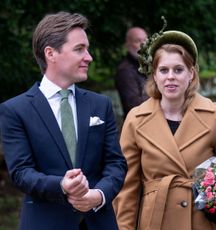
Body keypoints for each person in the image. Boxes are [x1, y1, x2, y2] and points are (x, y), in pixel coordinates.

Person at [0, 11, 127, 230]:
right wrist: (61, 185)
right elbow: (21, 172)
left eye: (87, 49)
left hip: (99, 222)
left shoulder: (100, 104)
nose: (89, 57)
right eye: (79, 49)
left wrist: (98, 195)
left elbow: (116, 164)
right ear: (51, 53)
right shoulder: (15, 110)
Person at [113, 18, 216, 230]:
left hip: (203, 222)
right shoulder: (136, 119)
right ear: (154, 75)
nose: (170, 77)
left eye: (178, 70)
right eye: (164, 70)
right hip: (155, 222)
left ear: (191, 73)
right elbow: (126, 189)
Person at [114, 27, 149, 119]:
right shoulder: (125, 71)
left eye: (145, 40)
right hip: (137, 125)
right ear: (127, 45)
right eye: (137, 41)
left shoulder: (150, 65)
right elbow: (133, 104)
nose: (143, 44)